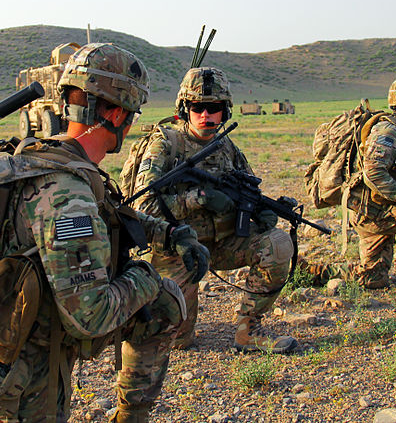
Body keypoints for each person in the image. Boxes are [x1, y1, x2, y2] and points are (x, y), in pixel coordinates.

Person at [0, 43, 209, 423]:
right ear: (116, 114)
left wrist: (170, 234)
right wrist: (147, 276)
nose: (131, 124)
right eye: (132, 114)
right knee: (161, 295)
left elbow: (112, 215)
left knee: (163, 305)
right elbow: (91, 317)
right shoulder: (67, 195)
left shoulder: (44, 156)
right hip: (15, 383)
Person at [121, 67, 297, 354]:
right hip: (179, 250)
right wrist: (196, 198)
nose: (206, 115)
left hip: (221, 244)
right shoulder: (166, 144)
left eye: (214, 108)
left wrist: (262, 210)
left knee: (277, 244)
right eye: (198, 107)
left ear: (224, 112)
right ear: (184, 109)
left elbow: (248, 192)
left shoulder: (228, 148)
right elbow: (142, 207)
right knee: (178, 341)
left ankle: (248, 330)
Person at [303, 75, 396, 294]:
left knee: (373, 278)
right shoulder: (390, 131)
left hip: (373, 209)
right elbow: (374, 174)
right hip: (375, 212)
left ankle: (315, 272)